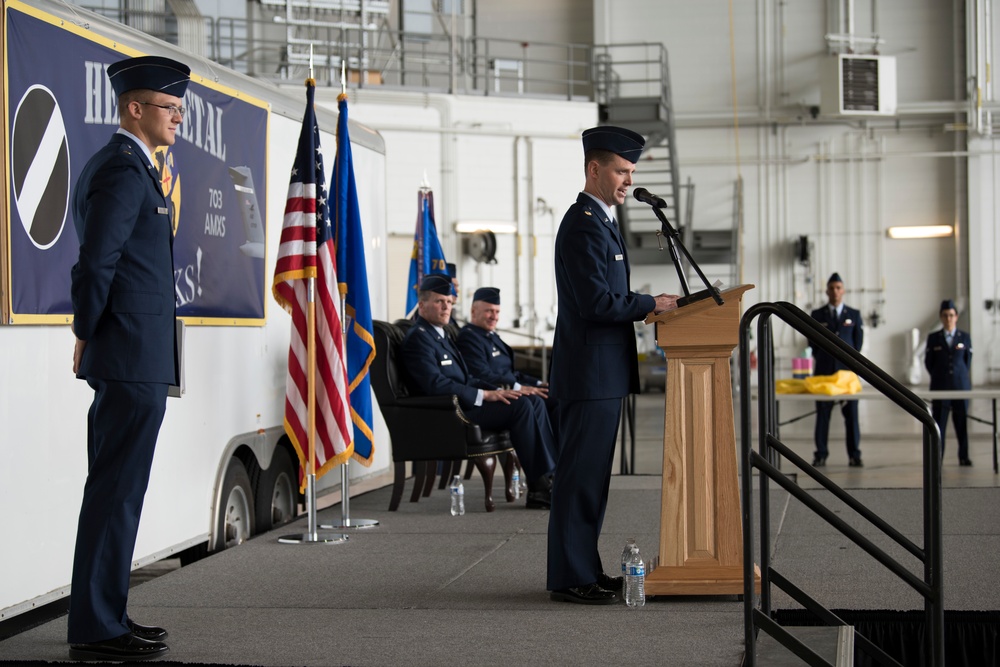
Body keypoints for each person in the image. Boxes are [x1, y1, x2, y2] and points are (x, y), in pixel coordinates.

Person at [67, 55, 190, 662]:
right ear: (134, 109)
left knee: (122, 491)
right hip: (126, 354)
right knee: (114, 491)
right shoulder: (120, 169)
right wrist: (86, 331)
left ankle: (106, 614)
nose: (178, 118)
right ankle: (94, 626)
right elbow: (98, 264)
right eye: (169, 108)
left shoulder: (138, 170)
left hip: (138, 355)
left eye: (180, 109)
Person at [547, 125, 679, 605]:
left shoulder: (601, 220)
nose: (627, 180)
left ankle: (583, 568)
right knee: (578, 480)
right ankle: (568, 576)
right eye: (621, 171)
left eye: (631, 172)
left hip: (601, 375)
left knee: (592, 482)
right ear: (594, 169)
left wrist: (647, 303)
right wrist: (651, 302)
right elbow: (596, 302)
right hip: (588, 377)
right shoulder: (583, 222)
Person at [400, 275, 558, 508]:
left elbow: (468, 378)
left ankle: (548, 477)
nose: (446, 307)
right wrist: (484, 395)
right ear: (421, 305)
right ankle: (539, 486)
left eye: (449, 302)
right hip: (452, 412)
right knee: (522, 406)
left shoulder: (439, 335)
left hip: (466, 403)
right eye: (439, 302)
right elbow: (434, 385)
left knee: (529, 400)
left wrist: (497, 391)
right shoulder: (419, 339)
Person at [810, 272, 864, 467]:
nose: (835, 291)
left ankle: (854, 454)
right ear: (827, 291)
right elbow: (813, 344)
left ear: (844, 290)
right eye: (832, 288)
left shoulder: (854, 315)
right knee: (823, 416)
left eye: (838, 287)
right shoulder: (817, 315)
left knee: (851, 416)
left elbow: (857, 344)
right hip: (824, 372)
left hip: (847, 375)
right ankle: (821, 454)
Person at [456, 287, 549, 398]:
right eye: (489, 311)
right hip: (498, 391)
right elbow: (482, 375)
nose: (494, 317)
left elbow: (511, 373)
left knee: (552, 394)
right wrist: (518, 387)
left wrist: (538, 383)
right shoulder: (469, 338)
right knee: (538, 400)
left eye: (497, 312)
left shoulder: (491, 335)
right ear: (473, 311)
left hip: (511, 386)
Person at [925, 299, 973, 465]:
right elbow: (929, 363)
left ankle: (964, 456)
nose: (948, 319)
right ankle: (938, 458)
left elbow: (967, 361)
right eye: (945, 315)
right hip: (940, 388)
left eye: (951, 315)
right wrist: (941, 377)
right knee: (939, 426)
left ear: (956, 317)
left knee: (962, 425)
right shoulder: (933, 338)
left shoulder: (965, 337)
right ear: (941, 317)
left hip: (960, 388)